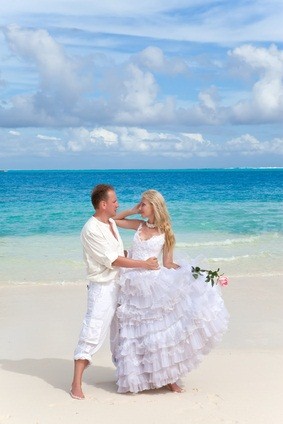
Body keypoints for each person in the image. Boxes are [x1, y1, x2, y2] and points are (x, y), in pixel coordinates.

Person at [113, 189, 229, 394]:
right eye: (140, 204)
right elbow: (114, 219)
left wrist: (192, 273)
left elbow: (167, 263)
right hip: (132, 283)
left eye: (144, 204)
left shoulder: (165, 232)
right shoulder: (139, 226)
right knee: (134, 333)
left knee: (158, 332)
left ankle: (169, 377)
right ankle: (139, 376)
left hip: (153, 283)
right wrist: (131, 209)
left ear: (154, 207)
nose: (141, 207)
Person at [70, 184, 159, 400]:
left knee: (120, 335)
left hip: (120, 285)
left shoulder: (109, 222)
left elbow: (118, 244)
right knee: (92, 331)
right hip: (102, 288)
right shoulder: (91, 229)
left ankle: (125, 376)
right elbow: (113, 260)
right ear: (103, 205)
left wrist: (132, 211)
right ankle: (75, 384)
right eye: (114, 202)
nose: (117, 204)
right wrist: (143, 264)